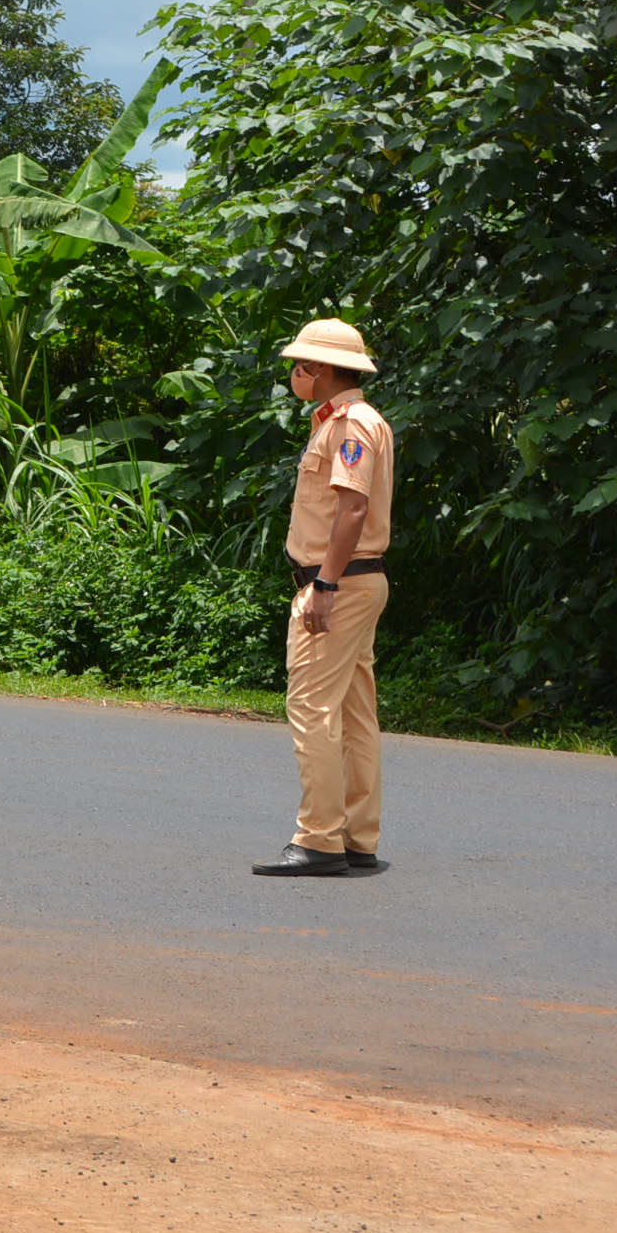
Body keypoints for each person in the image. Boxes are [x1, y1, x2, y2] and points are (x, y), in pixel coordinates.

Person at [254, 318, 396, 878]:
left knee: (311, 707)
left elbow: (353, 509)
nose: (294, 374)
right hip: (357, 582)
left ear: (319, 368)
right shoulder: (345, 421)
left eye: (300, 365)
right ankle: (357, 836)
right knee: (355, 712)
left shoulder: (352, 425)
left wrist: (325, 584)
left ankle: (318, 839)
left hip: (340, 584)